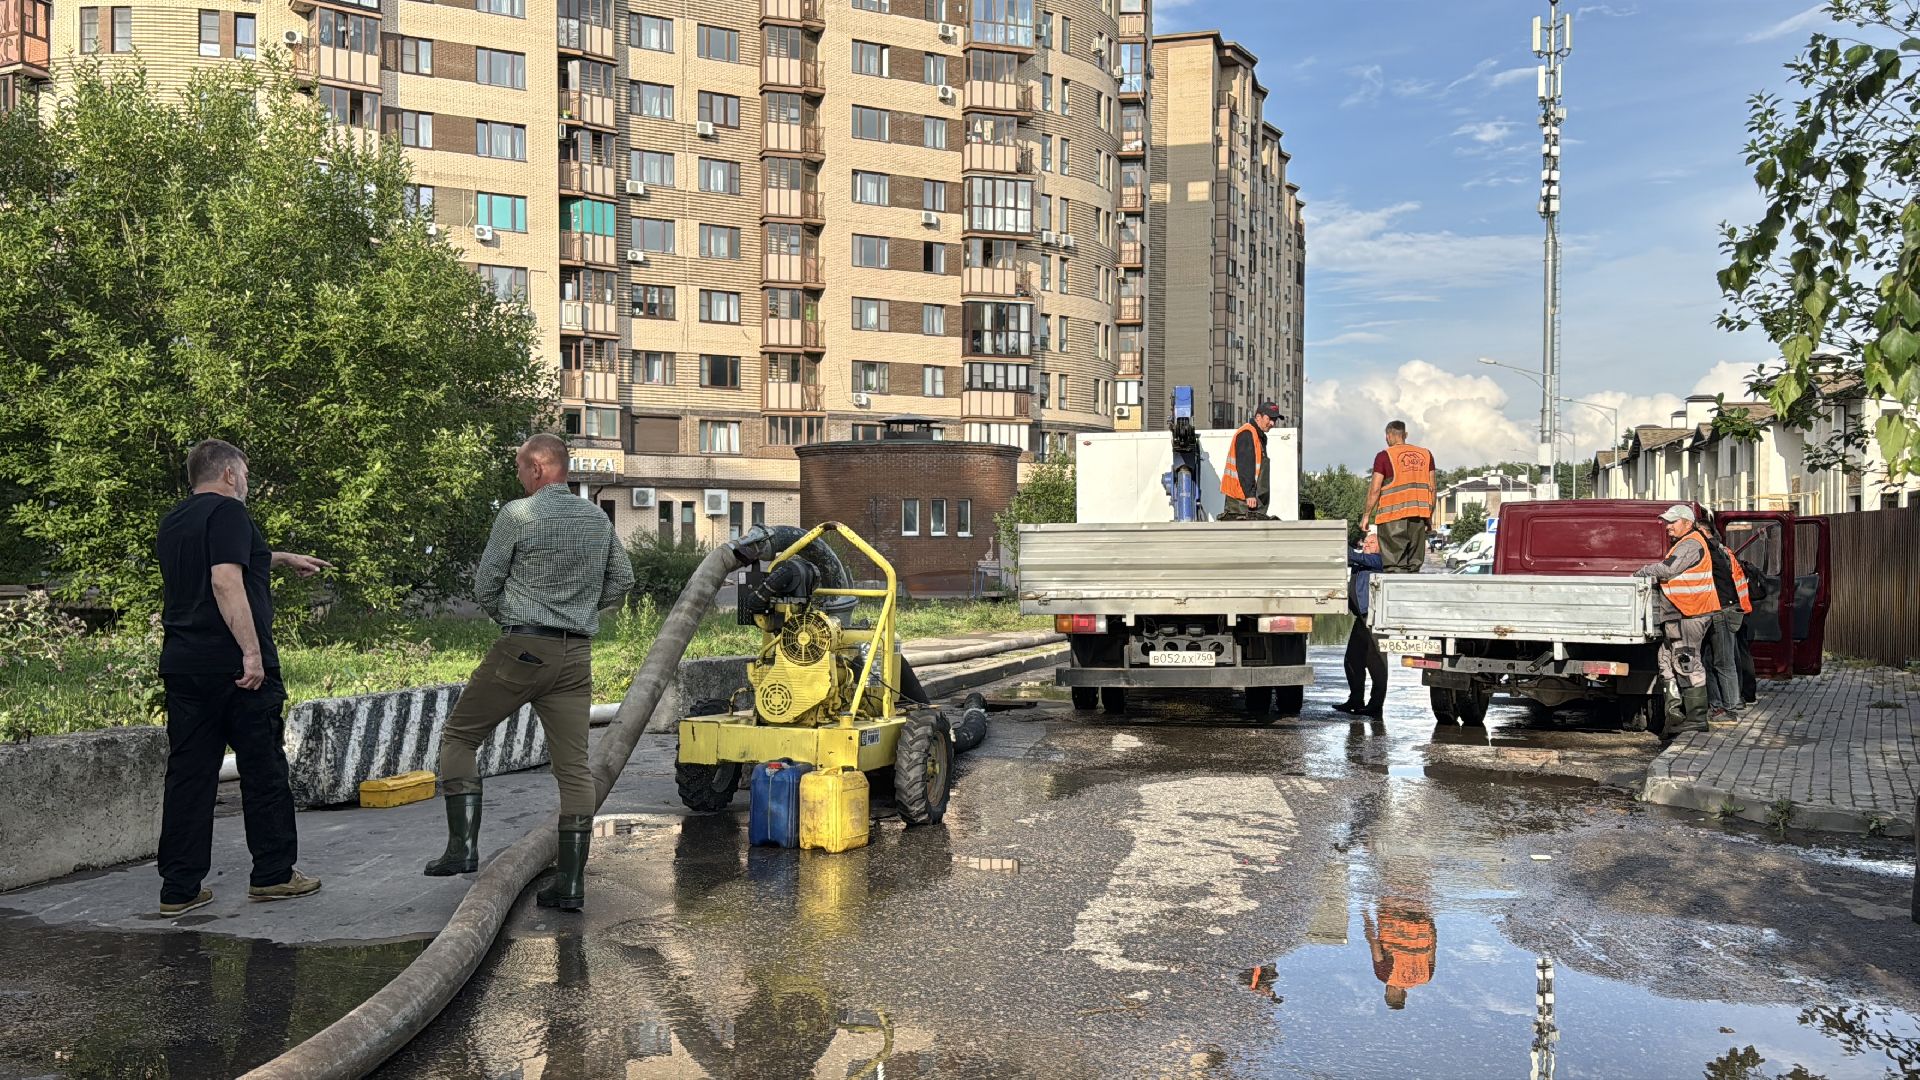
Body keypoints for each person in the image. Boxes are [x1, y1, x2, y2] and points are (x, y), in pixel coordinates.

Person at [424, 433, 634, 913]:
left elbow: (485, 584)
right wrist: (581, 609)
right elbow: (623, 579)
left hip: (523, 649)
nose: (519, 477)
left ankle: (462, 849)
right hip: (576, 656)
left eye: (520, 468)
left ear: (538, 469)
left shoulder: (517, 515)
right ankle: (570, 884)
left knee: (459, 736)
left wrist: (512, 620)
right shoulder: (596, 517)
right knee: (574, 768)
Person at [155, 439, 331, 917]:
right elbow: (223, 579)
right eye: (246, 474)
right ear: (229, 474)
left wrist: (276, 557)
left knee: (190, 775)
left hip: (184, 665)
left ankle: (180, 887)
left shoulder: (175, 520)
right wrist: (251, 654)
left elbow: (219, 563)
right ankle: (273, 875)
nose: (247, 483)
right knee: (263, 769)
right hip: (236, 670)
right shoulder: (230, 512)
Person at [1634, 505, 1722, 738]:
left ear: (1687, 522)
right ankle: (1675, 713)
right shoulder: (1684, 543)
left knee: (1686, 660)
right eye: (1667, 522)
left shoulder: (1691, 543)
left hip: (1691, 613)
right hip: (1678, 614)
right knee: (1666, 659)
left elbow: (1667, 570)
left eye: (1673, 522)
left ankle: (1696, 717)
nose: (1668, 526)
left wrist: (1640, 572)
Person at [1359, 420, 1437, 574]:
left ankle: (1395, 597)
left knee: (1394, 567)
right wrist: (1429, 518)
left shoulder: (1384, 456)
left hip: (1392, 519)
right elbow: (1432, 489)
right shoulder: (1426, 455)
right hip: (1418, 519)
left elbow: (1375, 489)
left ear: (1388, 436)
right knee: (1413, 566)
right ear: (1405, 435)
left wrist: (1366, 515)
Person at [1700, 526, 1753, 722]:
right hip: (1731, 608)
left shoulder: (1711, 550)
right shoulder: (1722, 550)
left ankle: (1728, 708)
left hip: (1723, 610)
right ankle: (1728, 704)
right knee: (1722, 660)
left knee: (1724, 662)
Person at [1336, 530, 1388, 718]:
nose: (1367, 545)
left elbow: (1354, 555)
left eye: (1372, 543)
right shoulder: (1362, 561)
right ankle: (1356, 700)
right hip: (1361, 618)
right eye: (1365, 542)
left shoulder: (1379, 561)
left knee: (1377, 664)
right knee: (1352, 659)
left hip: (1375, 620)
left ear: (1381, 547)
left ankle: (1375, 706)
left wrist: (1338, 541)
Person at [1219, 402, 1280, 521]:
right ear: (1258, 417)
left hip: (1248, 500)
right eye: (1270, 419)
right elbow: (1245, 467)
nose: (1272, 423)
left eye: (1275, 420)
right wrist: (1250, 495)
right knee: (1243, 535)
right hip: (1240, 501)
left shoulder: (1257, 435)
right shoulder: (1247, 433)